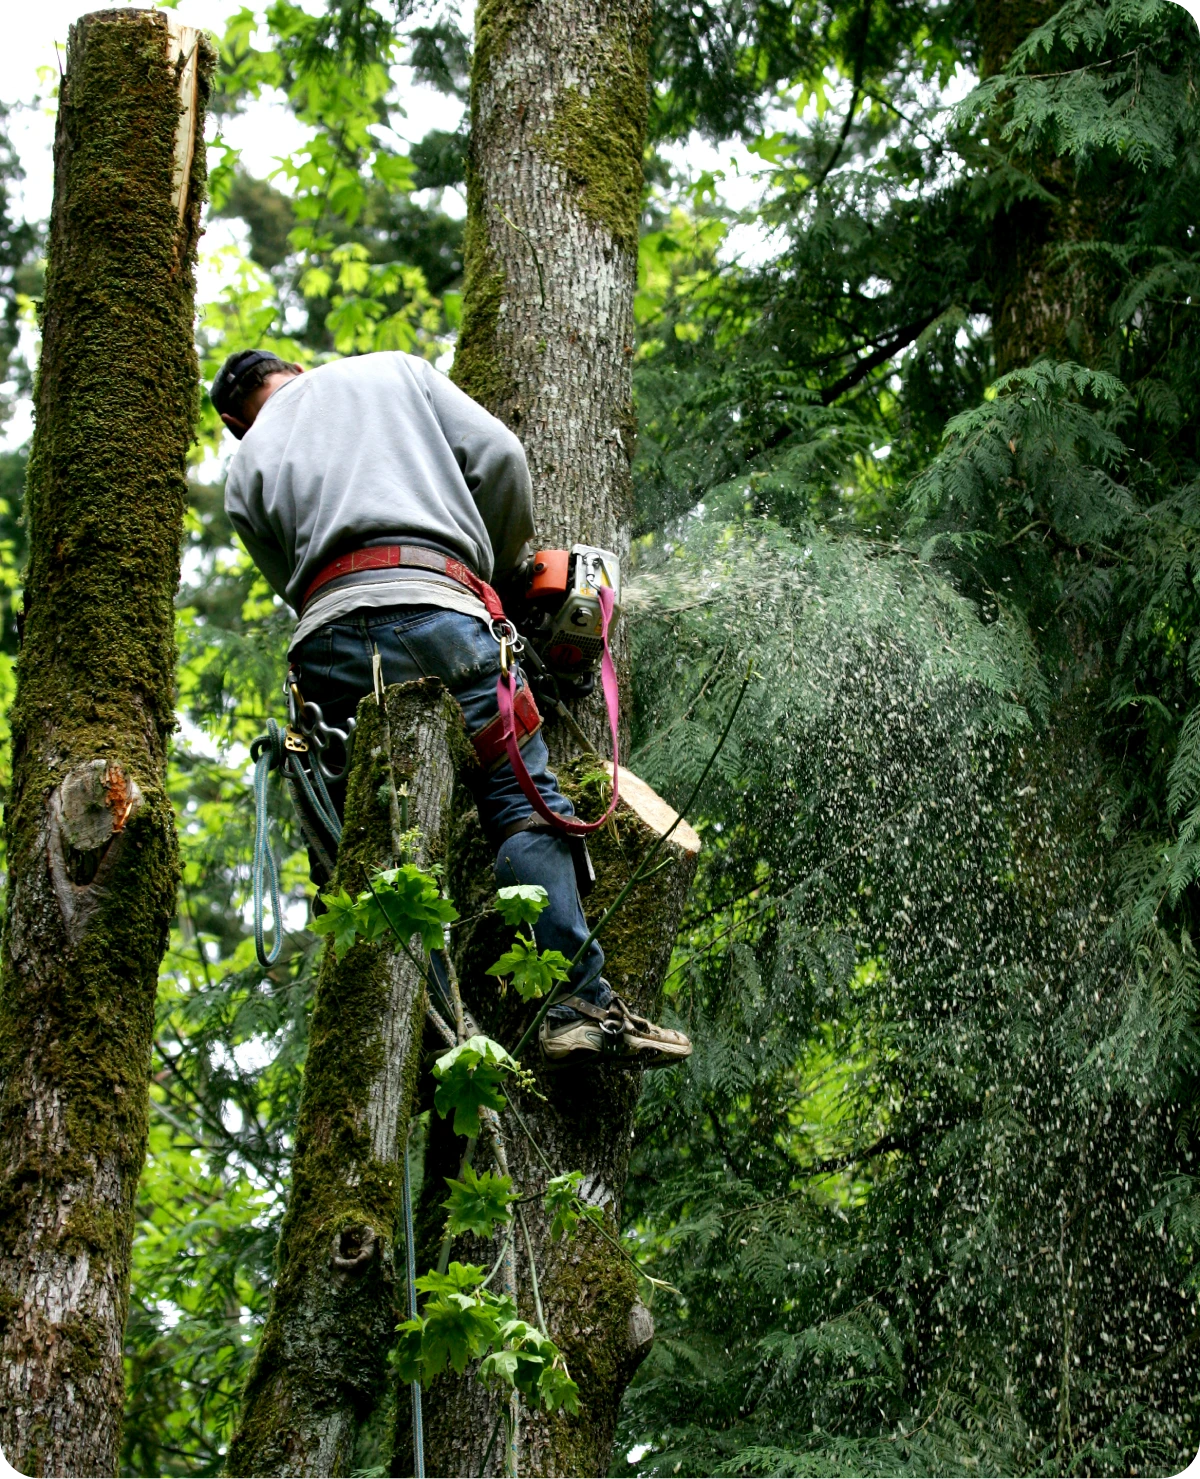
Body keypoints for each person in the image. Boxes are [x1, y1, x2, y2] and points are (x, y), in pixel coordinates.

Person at [214, 348, 691, 1068]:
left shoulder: (243, 468)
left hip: (328, 650)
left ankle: (390, 1048)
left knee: (358, 850)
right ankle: (575, 1004)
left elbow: (290, 578)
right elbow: (500, 456)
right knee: (520, 800)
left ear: (232, 419)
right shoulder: (392, 371)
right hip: (441, 609)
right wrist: (497, 569)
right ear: (300, 369)